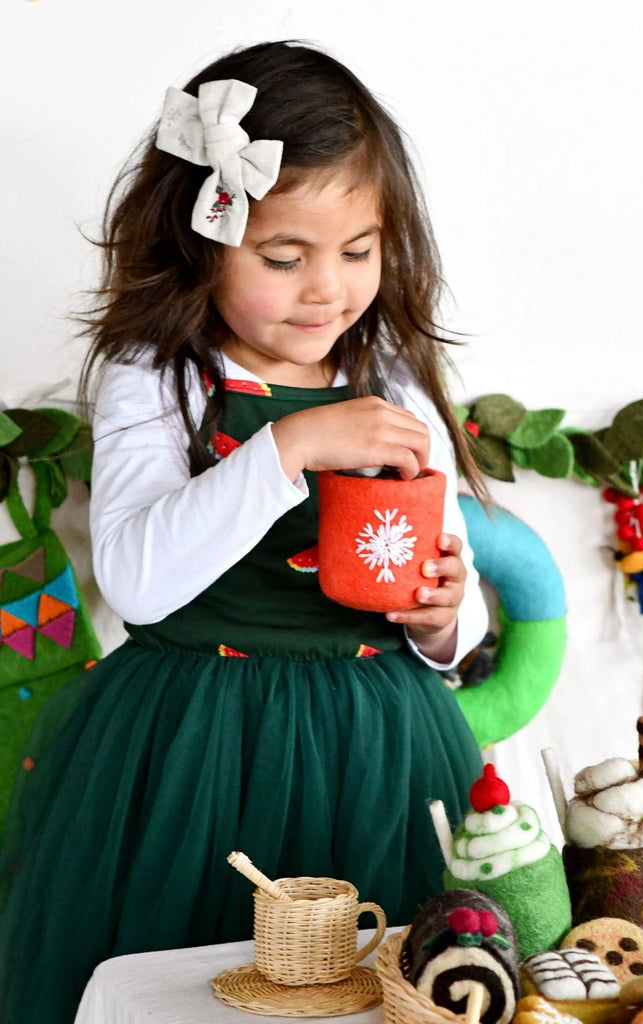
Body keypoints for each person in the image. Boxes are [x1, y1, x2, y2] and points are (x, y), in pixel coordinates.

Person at [0, 40, 490, 1023]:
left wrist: (446, 616)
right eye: (284, 258)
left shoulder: (393, 387)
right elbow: (138, 582)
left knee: (386, 983)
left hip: (378, 746)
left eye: (358, 251)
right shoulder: (159, 377)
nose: (327, 289)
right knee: (195, 986)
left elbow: (453, 597)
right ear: (204, 239)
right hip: (193, 747)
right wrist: (288, 447)